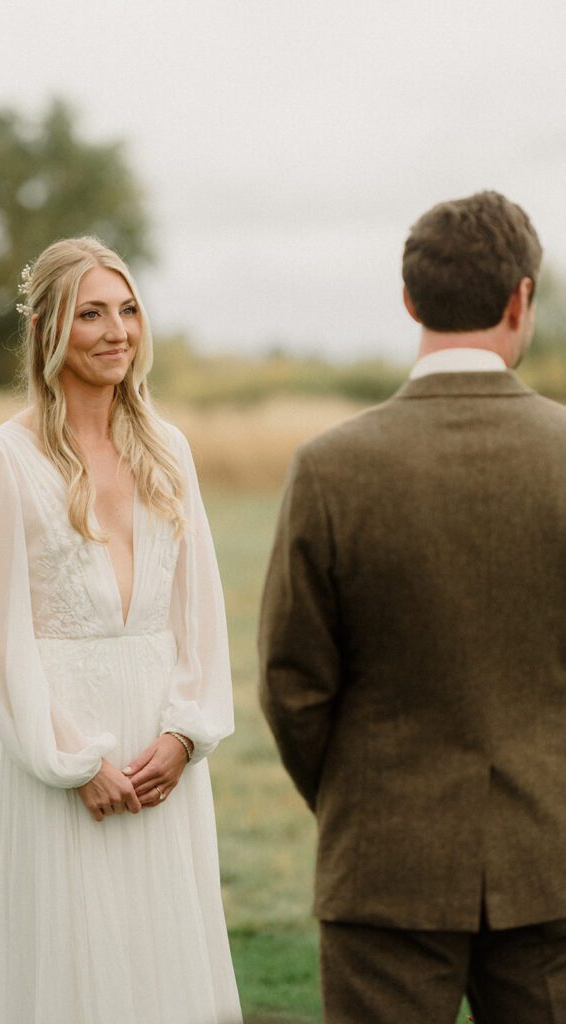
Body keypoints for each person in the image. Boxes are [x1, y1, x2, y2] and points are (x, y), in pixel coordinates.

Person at [258, 191, 566, 1023]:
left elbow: (292, 685)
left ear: (408, 301)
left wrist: (363, 798)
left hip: (382, 865)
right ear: (521, 299)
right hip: (554, 860)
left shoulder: (329, 467)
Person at [0, 237, 242, 1024]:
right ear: (48, 327)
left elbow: (200, 611)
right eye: (92, 313)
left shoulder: (166, 449)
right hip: (52, 757)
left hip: (162, 756)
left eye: (127, 310)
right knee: (73, 973)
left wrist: (186, 736)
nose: (118, 331)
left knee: (164, 966)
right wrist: (72, 761)